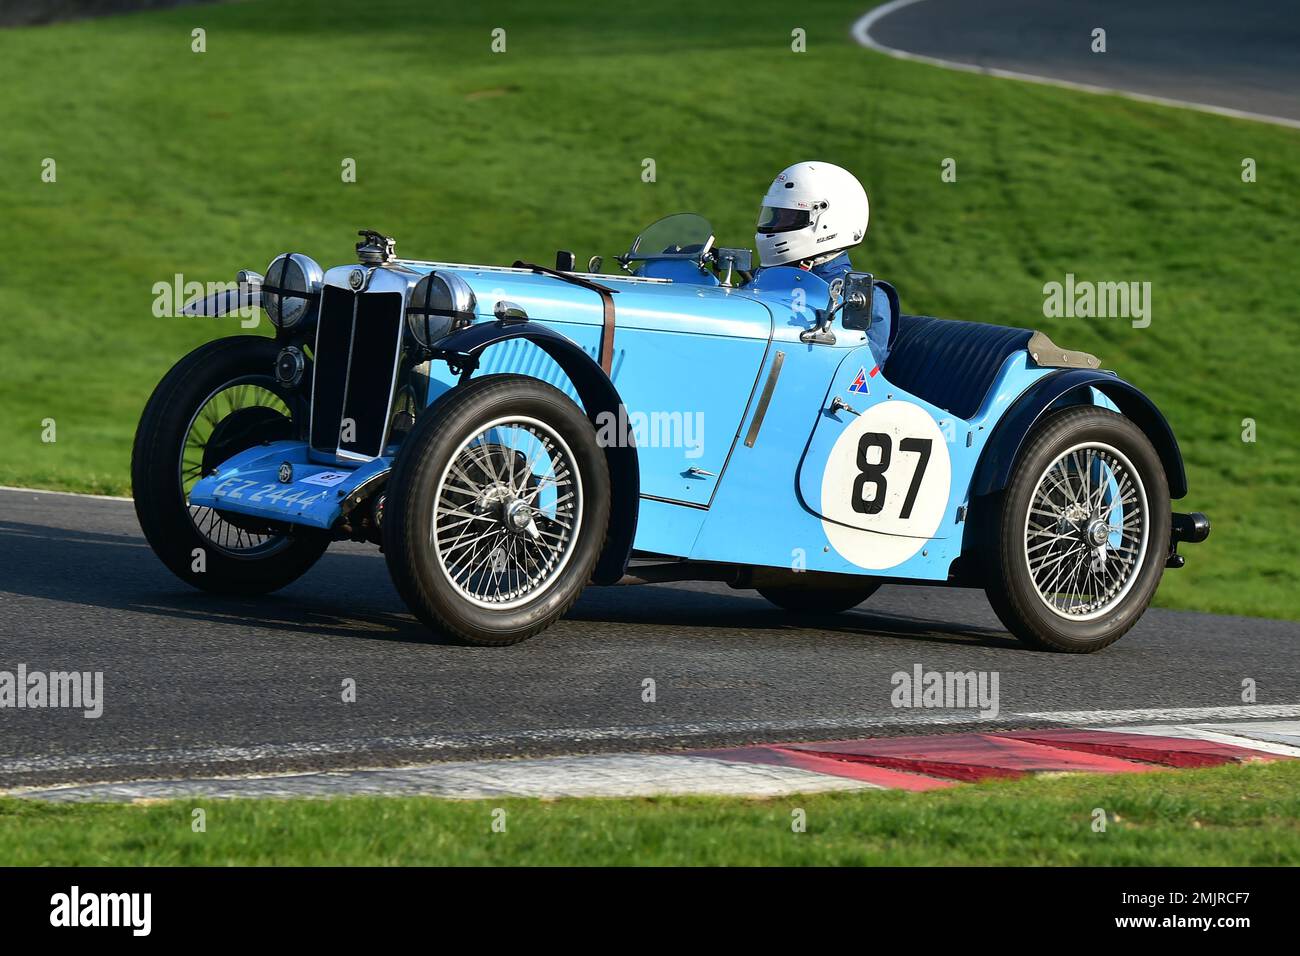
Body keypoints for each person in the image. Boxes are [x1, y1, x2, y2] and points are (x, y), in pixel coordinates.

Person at [754, 161, 894, 365]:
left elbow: (857, 374)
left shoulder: (862, 298)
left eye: (790, 216)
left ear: (829, 221)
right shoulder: (758, 279)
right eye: (776, 215)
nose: (777, 223)